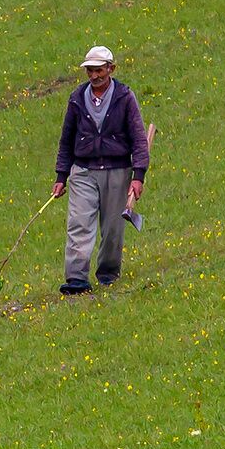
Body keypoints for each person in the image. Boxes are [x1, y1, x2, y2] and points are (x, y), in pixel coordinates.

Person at [51, 45, 147, 294]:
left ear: (111, 69)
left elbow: (138, 138)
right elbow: (66, 140)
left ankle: (108, 273)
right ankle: (76, 279)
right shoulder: (76, 99)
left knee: (113, 228)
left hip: (117, 170)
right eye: (90, 71)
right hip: (83, 171)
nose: (94, 76)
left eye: (99, 70)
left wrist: (138, 176)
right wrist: (61, 176)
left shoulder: (125, 97)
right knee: (79, 223)